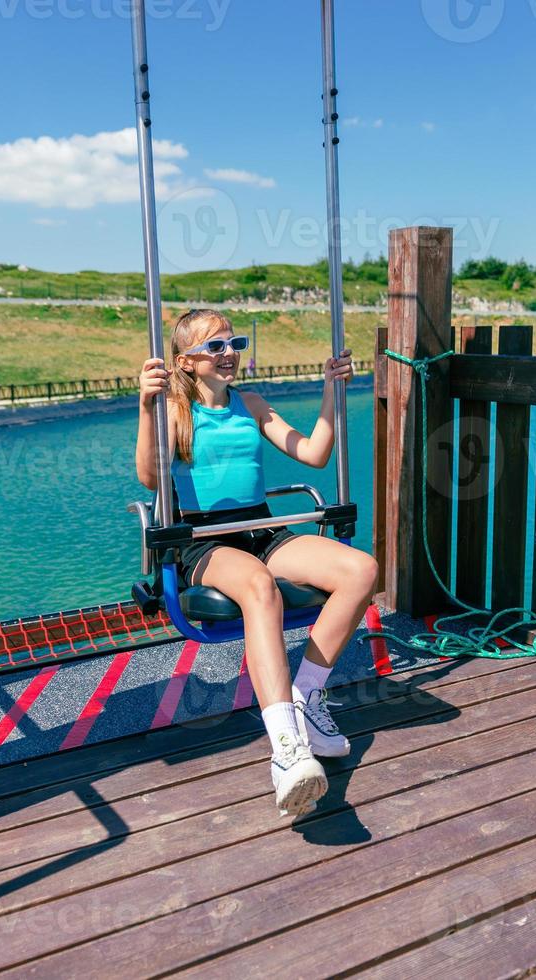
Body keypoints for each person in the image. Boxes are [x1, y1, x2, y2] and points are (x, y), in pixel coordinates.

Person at [135, 309, 378, 818]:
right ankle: (287, 751)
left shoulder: (251, 403)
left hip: (261, 529)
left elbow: (312, 454)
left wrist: (332, 391)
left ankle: (306, 696)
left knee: (362, 570)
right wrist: (145, 405)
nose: (229, 353)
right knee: (257, 585)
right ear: (186, 361)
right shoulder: (173, 411)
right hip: (203, 539)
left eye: (234, 342)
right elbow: (152, 480)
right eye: (215, 346)